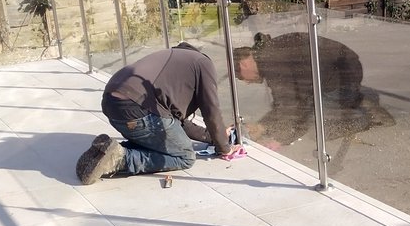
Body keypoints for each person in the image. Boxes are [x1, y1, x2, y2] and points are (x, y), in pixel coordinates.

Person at [76, 42, 244, 184]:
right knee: (184, 156)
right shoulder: (202, 63)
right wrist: (225, 148)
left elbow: (176, 124)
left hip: (112, 106)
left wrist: (213, 137)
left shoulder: (171, 63)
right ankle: (119, 159)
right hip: (137, 109)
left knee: (161, 140)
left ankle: (104, 151)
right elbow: (211, 110)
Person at [233, 31, 393, 147]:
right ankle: (353, 99)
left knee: (321, 130)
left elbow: (293, 105)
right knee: (312, 112)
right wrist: (262, 126)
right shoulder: (267, 54)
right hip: (339, 68)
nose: (246, 82)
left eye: (241, 77)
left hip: (343, 74)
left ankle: (367, 118)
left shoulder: (271, 62)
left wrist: (280, 140)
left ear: (244, 64)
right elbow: (286, 102)